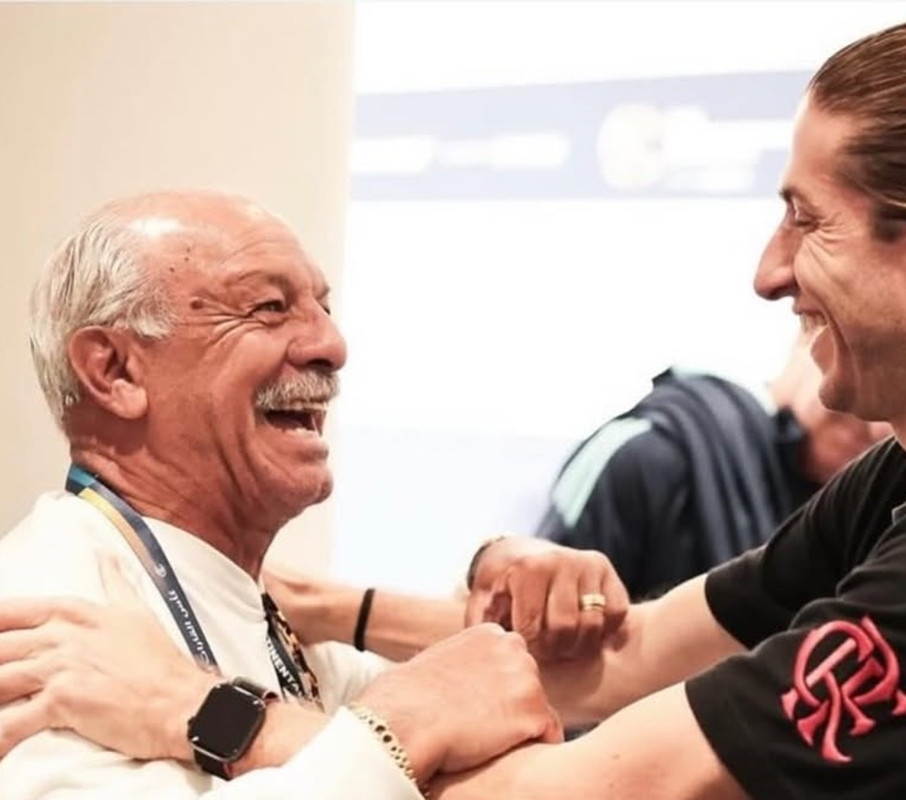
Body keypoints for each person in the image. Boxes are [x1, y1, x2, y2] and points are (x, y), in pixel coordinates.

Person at [2, 13, 906, 799]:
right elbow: (624, 657)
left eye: (805, 219)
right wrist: (329, 611)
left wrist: (203, 709)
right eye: (266, 309)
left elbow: (580, 791)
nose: (770, 271)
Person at [0, 190, 574, 798]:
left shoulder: (246, 599)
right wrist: (409, 720)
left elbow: (480, 736)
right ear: (114, 371)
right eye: (269, 308)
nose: (331, 346)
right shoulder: (42, 623)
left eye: (323, 308)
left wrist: (519, 591)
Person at [536, 340, 889, 600]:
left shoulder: (876, 516)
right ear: (810, 332)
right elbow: (541, 607)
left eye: (894, 398)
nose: (876, 428)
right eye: (870, 367)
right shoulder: (652, 453)